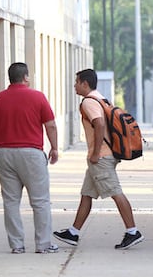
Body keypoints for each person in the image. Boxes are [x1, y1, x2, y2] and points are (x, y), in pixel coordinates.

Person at [53, 69, 144, 250]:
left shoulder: (88, 102)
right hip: (104, 155)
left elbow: (100, 123)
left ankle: (133, 231)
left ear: (85, 83)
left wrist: (95, 153)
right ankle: (73, 232)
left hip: (101, 157)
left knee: (115, 192)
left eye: (77, 82)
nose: (75, 86)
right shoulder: (100, 98)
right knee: (87, 194)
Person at [0, 62, 59, 254]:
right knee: (40, 200)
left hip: (3, 153)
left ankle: (17, 245)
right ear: (25, 77)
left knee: (10, 201)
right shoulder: (38, 97)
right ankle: (43, 244)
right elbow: (50, 125)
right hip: (31, 153)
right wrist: (55, 148)